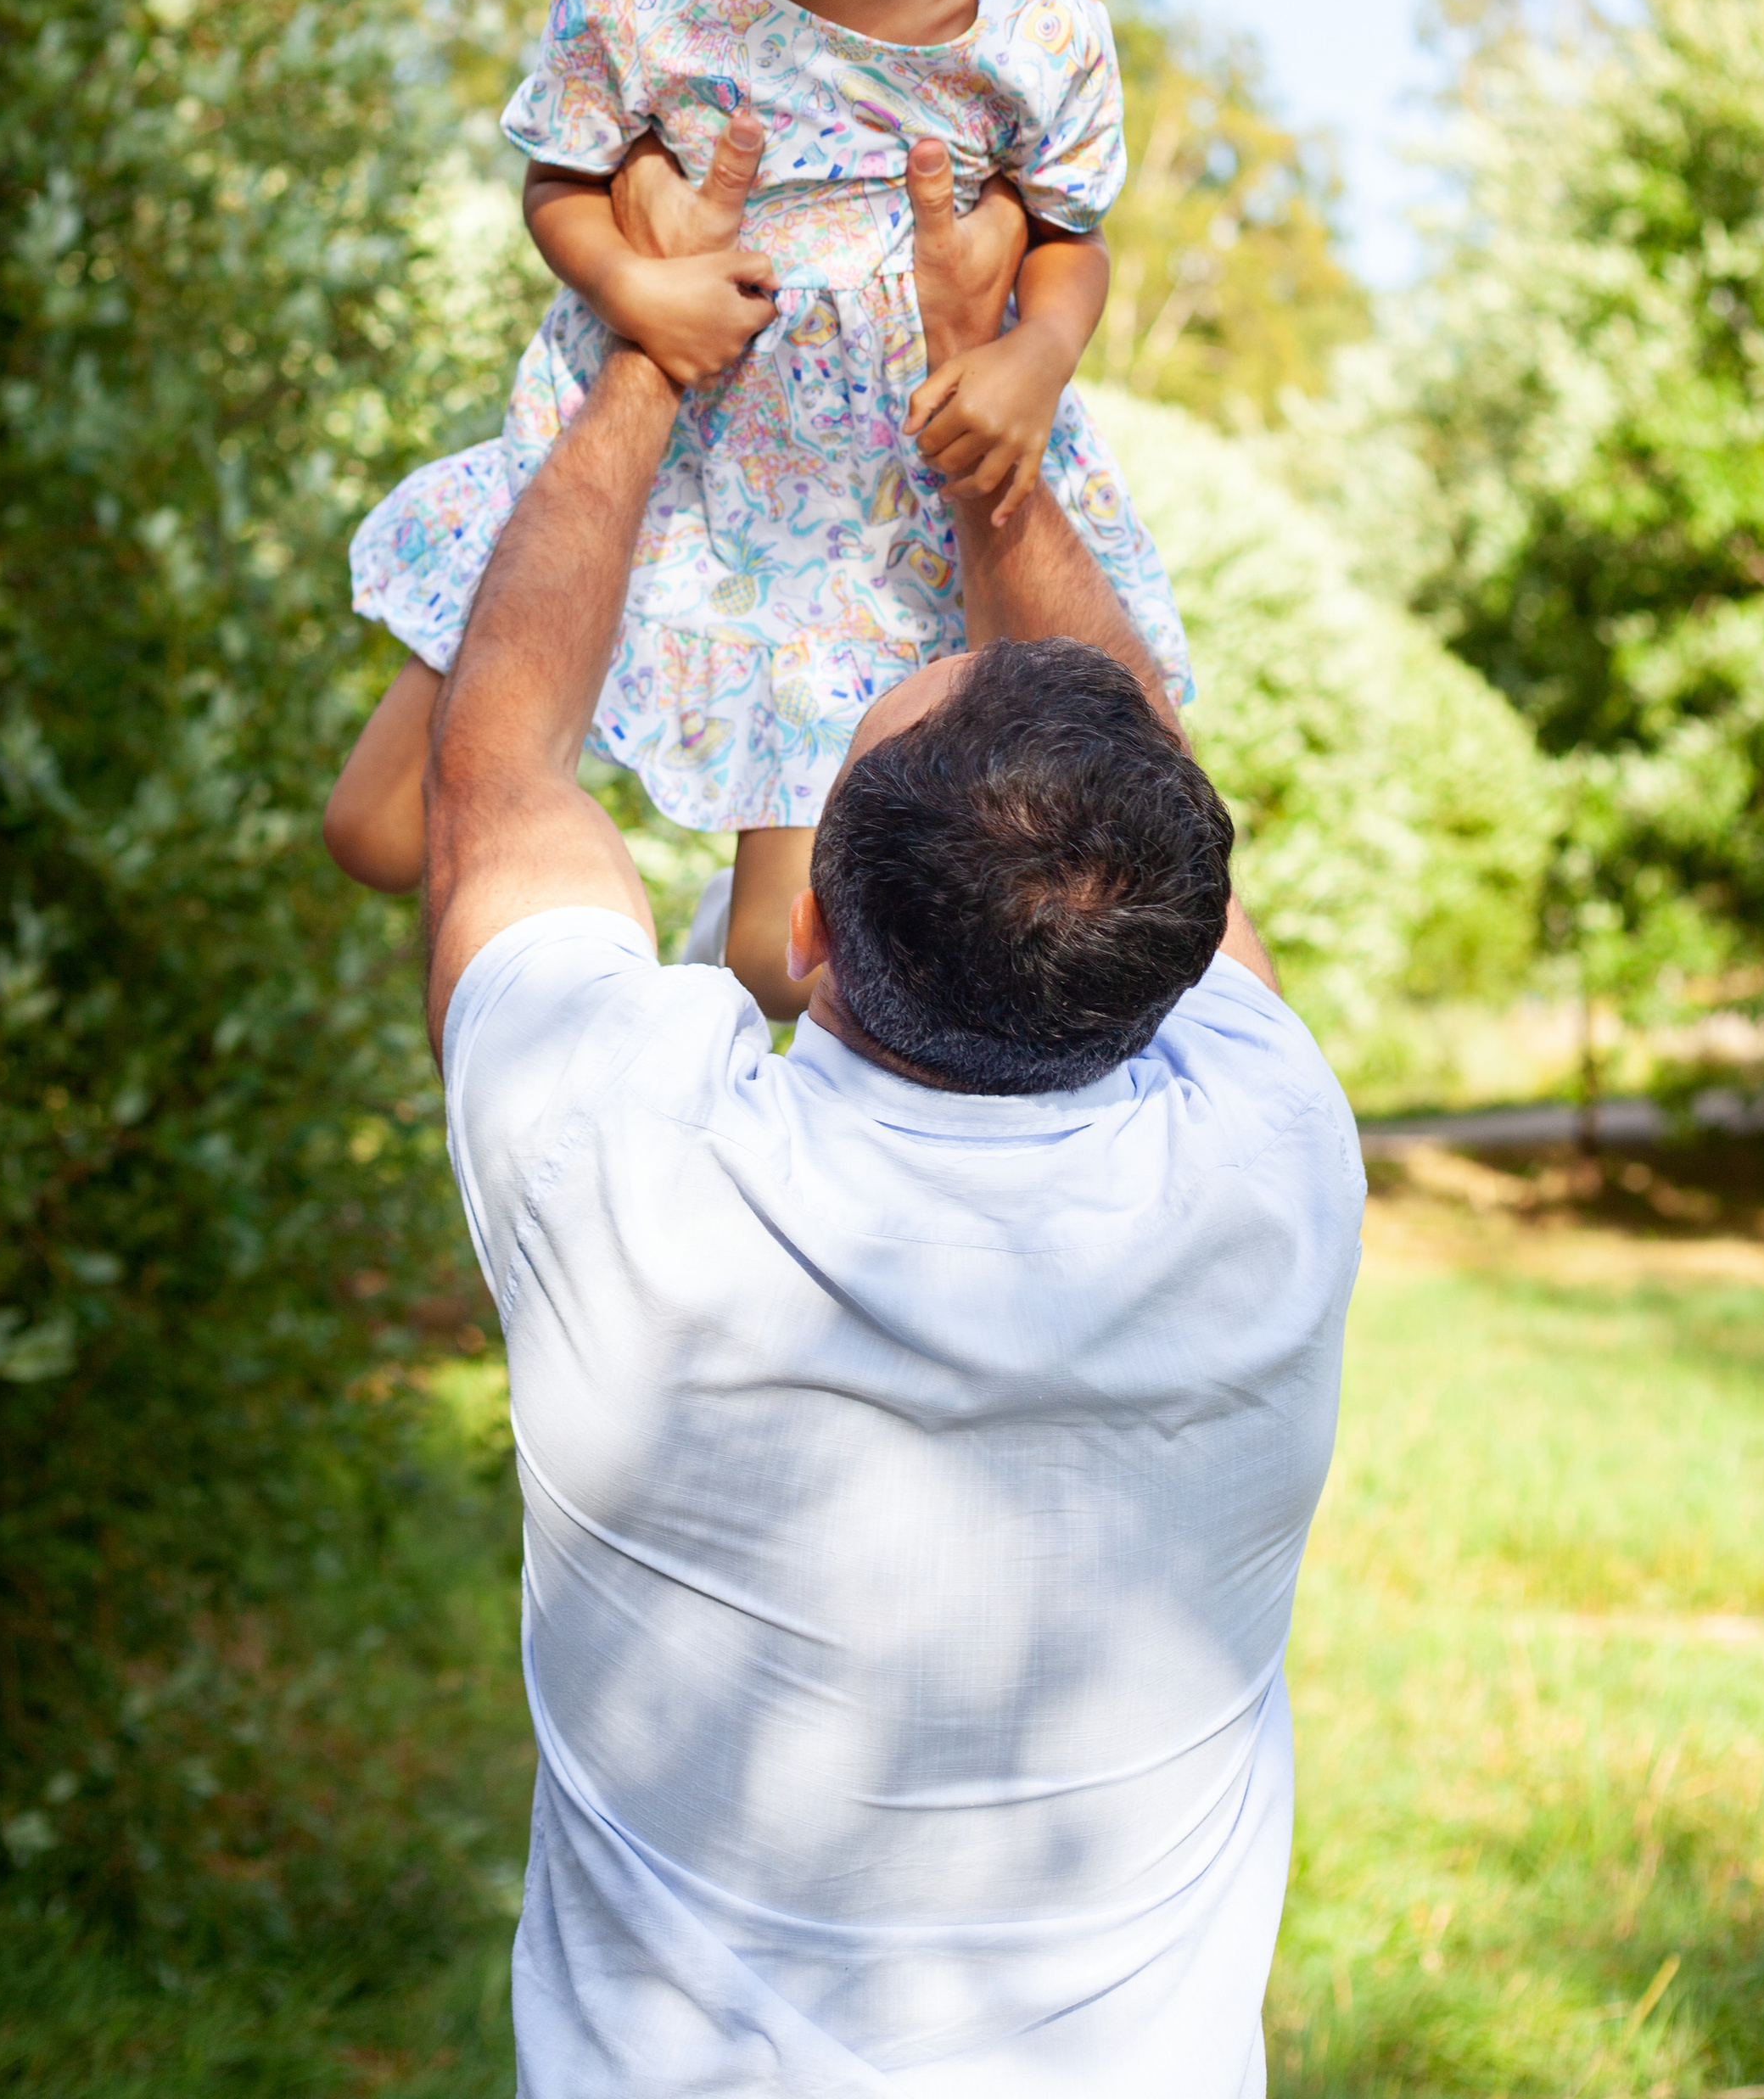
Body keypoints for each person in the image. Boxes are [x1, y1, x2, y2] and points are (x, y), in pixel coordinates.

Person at [406, 130, 1365, 2099]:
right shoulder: (1271, 1178)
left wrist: (645, 355)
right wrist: (981, 433)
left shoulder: (634, 1189)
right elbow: (1127, 773)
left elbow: (494, 786)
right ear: (1175, 946)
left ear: (808, 934)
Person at [329, 0, 1190, 1021]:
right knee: (379, 827)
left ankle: (724, 1150)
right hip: (641, 441)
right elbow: (563, 177)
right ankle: (585, 938)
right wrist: (633, 288)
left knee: (772, 949)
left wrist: (1038, 363)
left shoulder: (1041, 33)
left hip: (861, 512)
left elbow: (1072, 234)